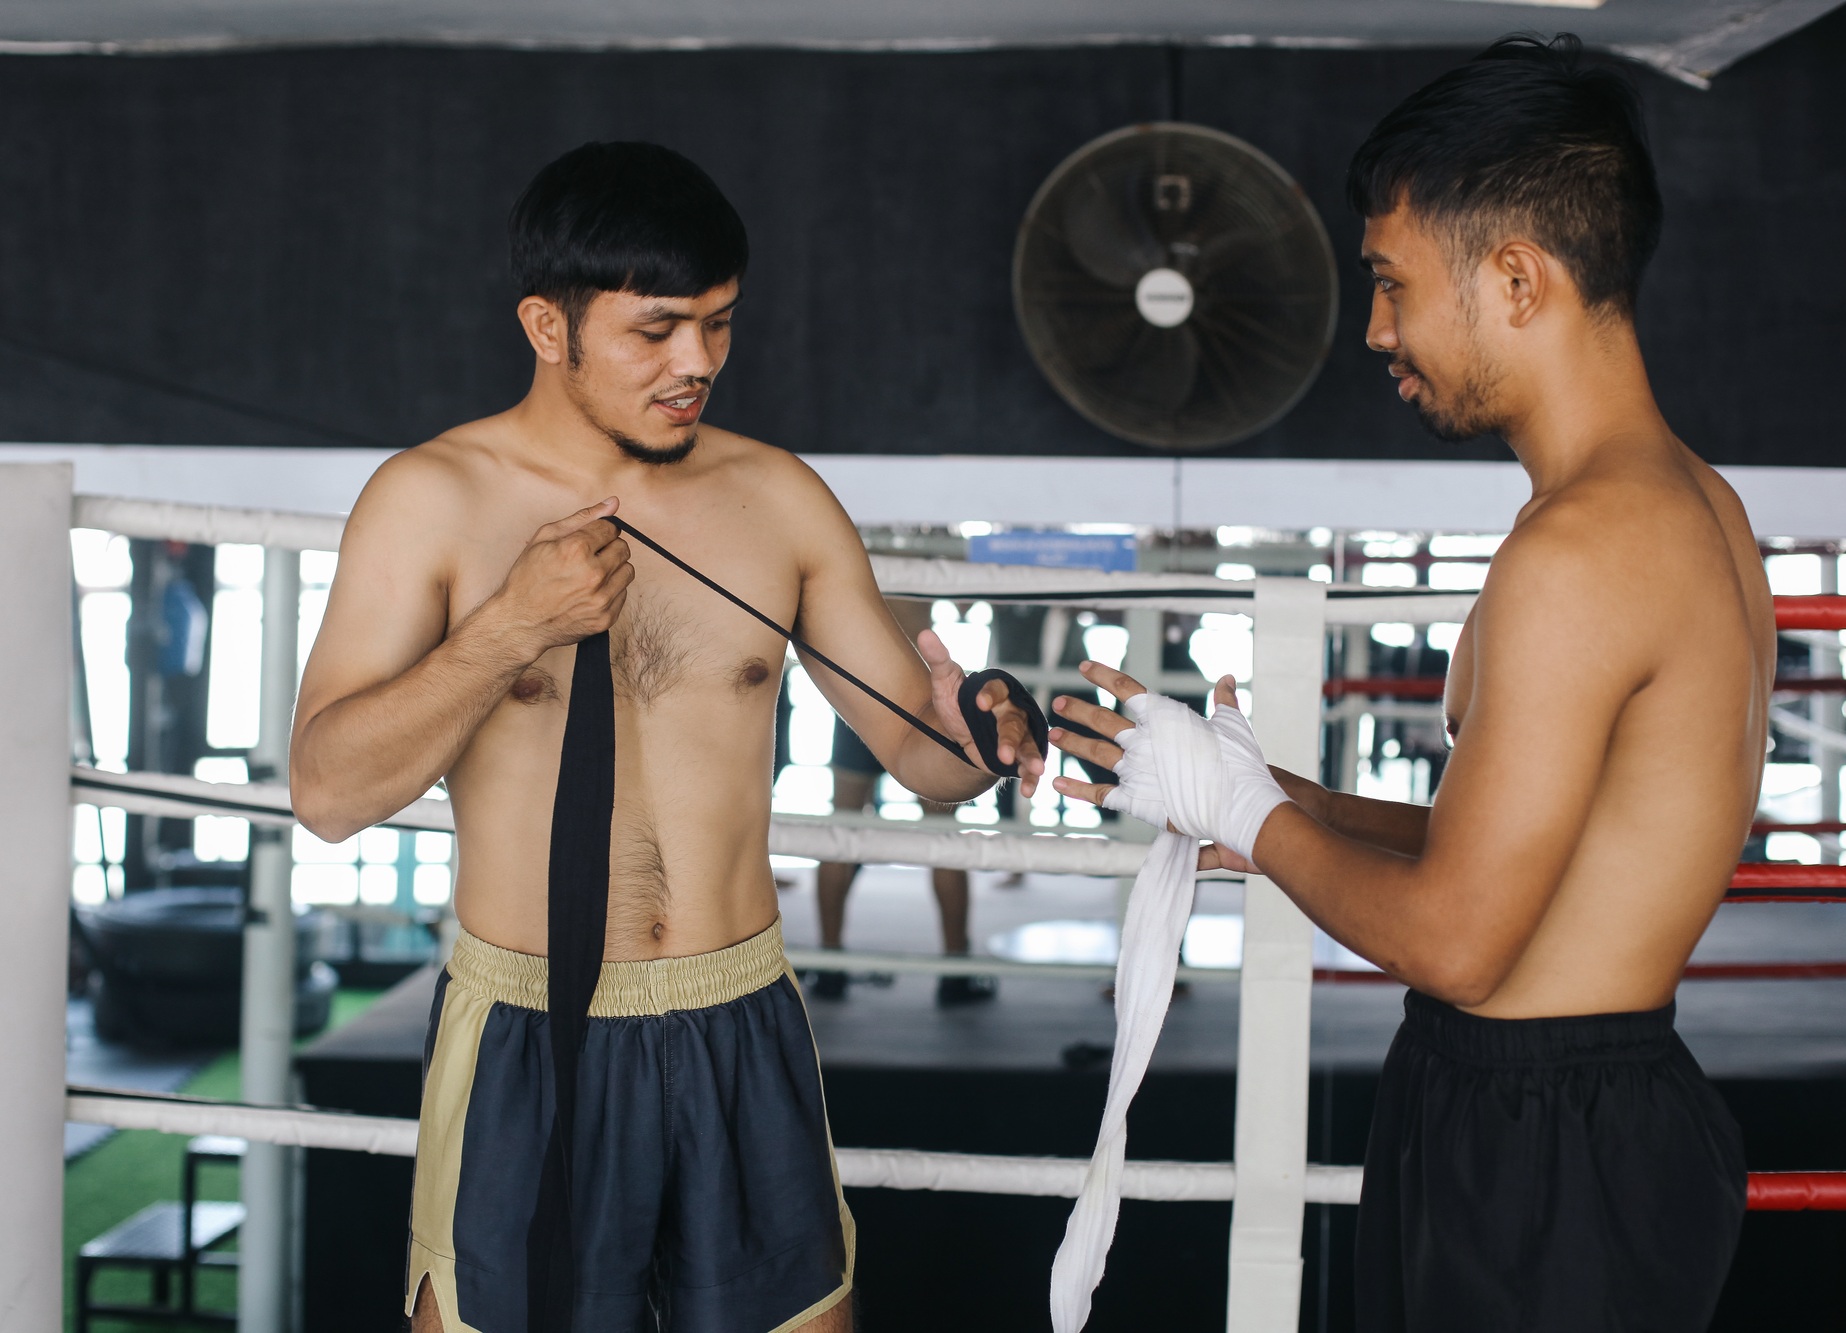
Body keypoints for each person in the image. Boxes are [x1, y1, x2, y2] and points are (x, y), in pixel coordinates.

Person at [1050, 36, 1763, 1332]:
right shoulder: (1697, 502)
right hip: (1592, 1115)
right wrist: (1274, 799)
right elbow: (1517, 858)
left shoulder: (1583, 547)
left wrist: (1239, 812)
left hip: (1537, 1145)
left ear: (1514, 277)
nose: (1376, 330)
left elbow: (1456, 938)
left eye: (1391, 284)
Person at [289, 141, 1043, 1333]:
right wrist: (503, 634)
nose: (696, 363)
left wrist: (983, 733)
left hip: (738, 1012)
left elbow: (922, 760)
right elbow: (326, 793)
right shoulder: (428, 501)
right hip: (528, 1028)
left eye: (719, 323)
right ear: (548, 325)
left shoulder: (778, 499)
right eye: (655, 331)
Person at [811, 597, 997, 1006]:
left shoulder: (852, 536)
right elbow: (967, 603)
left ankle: (828, 965)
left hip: (857, 693)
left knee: (841, 828)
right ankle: (955, 970)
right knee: (942, 837)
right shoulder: (928, 538)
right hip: (915, 697)